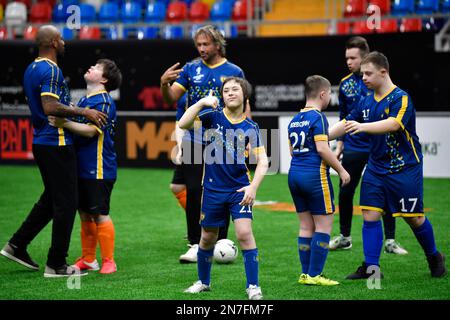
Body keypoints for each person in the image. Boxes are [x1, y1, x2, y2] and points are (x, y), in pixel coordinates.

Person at [0, 25, 107, 277]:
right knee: (67, 203)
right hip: (56, 142)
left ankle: (16, 245)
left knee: (51, 200)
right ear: (53, 43)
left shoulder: (32, 68)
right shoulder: (51, 69)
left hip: (41, 142)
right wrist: (84, 111)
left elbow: (46, 104)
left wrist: (67, 107)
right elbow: (49, 107)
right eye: (61, 38)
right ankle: (56, 264)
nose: (64, 42)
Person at [329, 52, 447, 279]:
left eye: (368, 73)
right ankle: (372, 268)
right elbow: (346, 123)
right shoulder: (365, 100)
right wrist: (321, 138)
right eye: (362, 73)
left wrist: (363, 127)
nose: (363, 77)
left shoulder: (401, 98)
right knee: (370, 215)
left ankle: (434, 256)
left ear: (384, 73)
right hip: (376, 167)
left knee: (414, 218)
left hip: (404, 168)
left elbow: (394, 124)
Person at [161, 25, 250, 263]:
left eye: (206, 44)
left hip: (224, 138)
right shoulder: (191, 69)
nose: (201, 49)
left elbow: (244, 104)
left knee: (224, 188)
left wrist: (245, 135)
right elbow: (172, 98)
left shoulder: (233, 70)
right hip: (194, 137)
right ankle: (194, 243)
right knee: (194, 190)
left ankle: (221, 240)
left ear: (217, 44)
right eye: (198, 45)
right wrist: (163, 84)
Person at [179, 77, 268, 300]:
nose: (229, 93)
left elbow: (263, 161)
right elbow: (183, 123)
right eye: (225, 90)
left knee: (244, 234)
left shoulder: (251, 127)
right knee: (207, 238)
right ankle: (203, 282)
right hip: (212, 189)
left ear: (244, 95)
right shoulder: (212, 117)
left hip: (239, 190)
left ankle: (253, 286)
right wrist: (201, 103)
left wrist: (253, 188)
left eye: (234, 89)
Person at [330, 36, 407, 255]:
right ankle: (345, 236)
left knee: (386, 192)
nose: (349, 62)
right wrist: (339, 144)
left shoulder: (383, 85)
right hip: (354, 146)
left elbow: (392, 120)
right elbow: (345, 116)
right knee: (346, 191)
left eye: (353, 58)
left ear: (366, 58)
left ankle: (390, 240)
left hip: (377, 147)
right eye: (347, 58)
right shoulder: (345, 84)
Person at [48, 59, 122, 275]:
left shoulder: (105, 101)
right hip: (80, 167)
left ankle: (109, 260)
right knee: (84, 214)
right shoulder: (84, 99)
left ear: (104, 79)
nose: (91, 67)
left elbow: (91, 131)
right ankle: (89, 259)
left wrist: (65, 123)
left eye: (97, 68)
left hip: (99, 168)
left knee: (100, 213)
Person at [288, 75, 350, 286]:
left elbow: (292, 151)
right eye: (330, 94)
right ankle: (316, 275)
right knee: (324, 226)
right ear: (323, 94)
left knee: (306, 226)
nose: (330, 97)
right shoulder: (319, 117)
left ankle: (306, 274)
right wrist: (341, 170)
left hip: (294, 174)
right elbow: (322, 149)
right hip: (314, 176)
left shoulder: (295, 119)